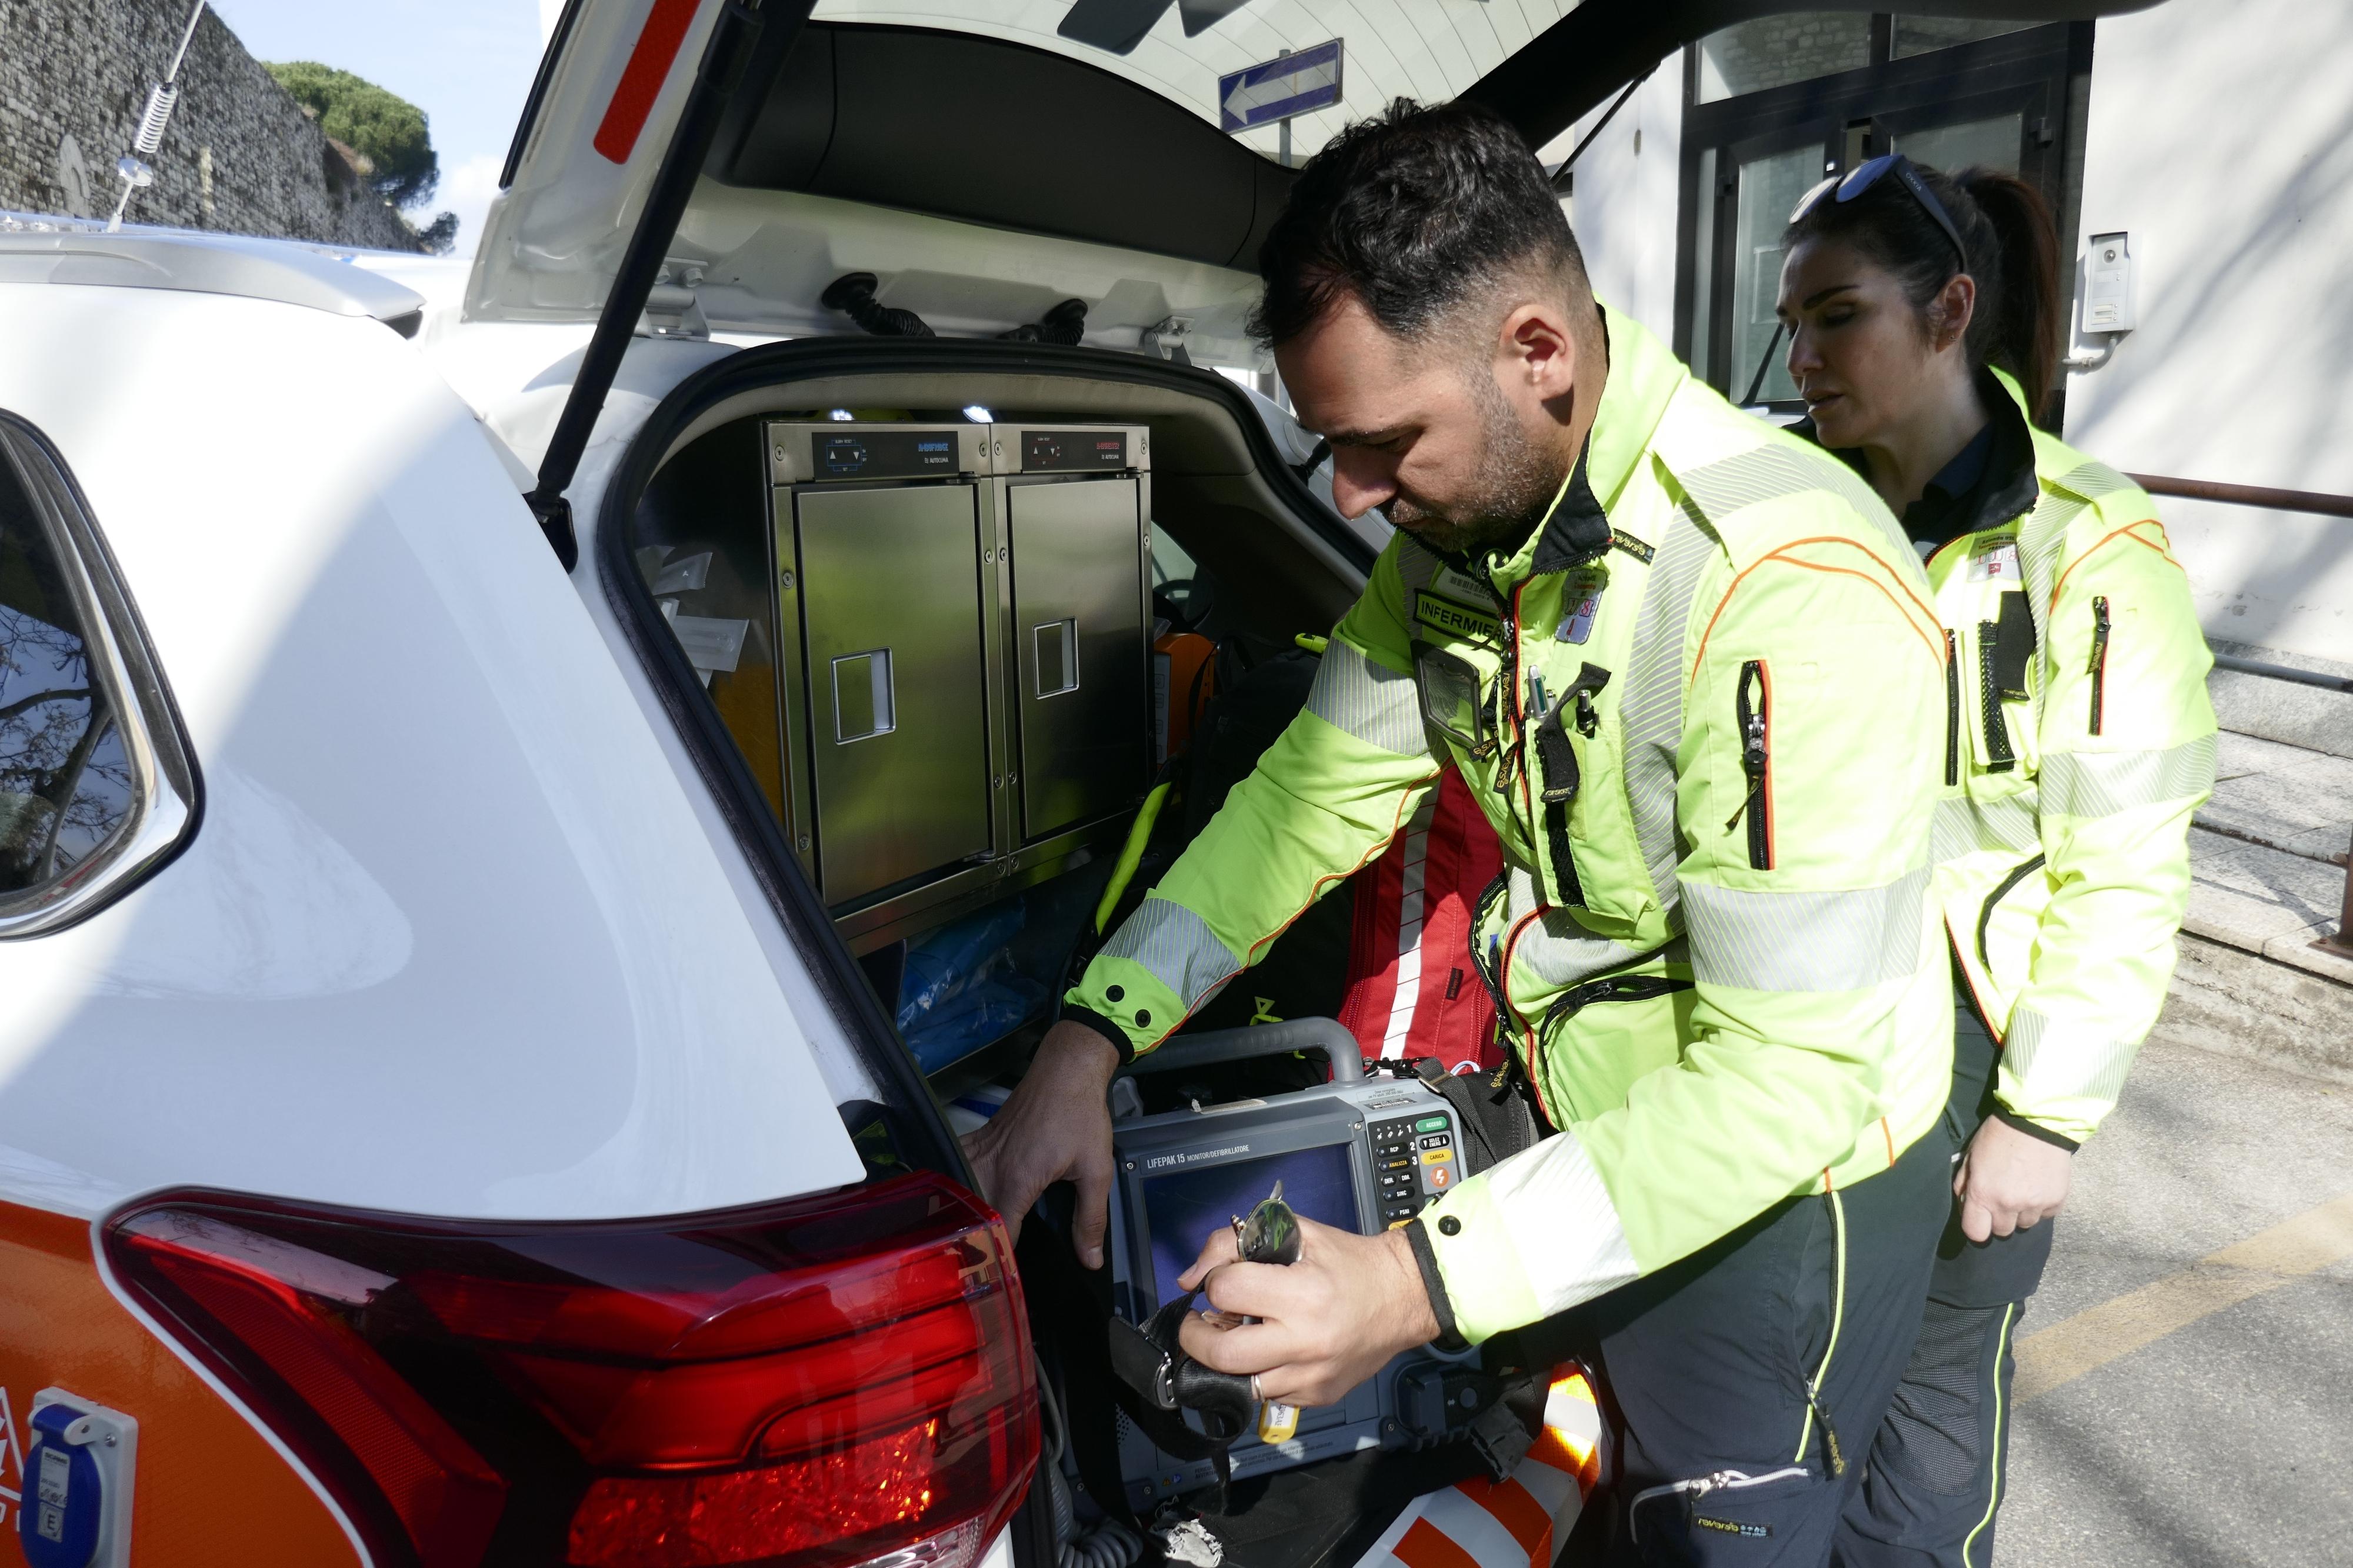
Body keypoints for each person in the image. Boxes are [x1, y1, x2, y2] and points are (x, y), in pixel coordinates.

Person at [968, 99, 1958, 1562]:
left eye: (1383, 443)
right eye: (1333, 454)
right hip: (1579, 1125)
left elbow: (1791, 1077)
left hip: (1780, 1198)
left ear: (1536, 355)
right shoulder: (1465, 536)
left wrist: (1414, 1286)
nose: (1357, 500)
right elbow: (1306, 801)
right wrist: (1088, 1038)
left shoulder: (1785, 585)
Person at [1772, 156, 2217, 1567]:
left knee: (1925, 1418)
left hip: (1975, 1045)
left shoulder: (2088, 548)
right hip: (1793, 1030)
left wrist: (2043, 1111)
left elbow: (2124, 861)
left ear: (1949, 309)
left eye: (1834, 317)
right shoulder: (1788, 517)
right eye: (1789, 323)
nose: (1800, 358)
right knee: (1780, 1395)